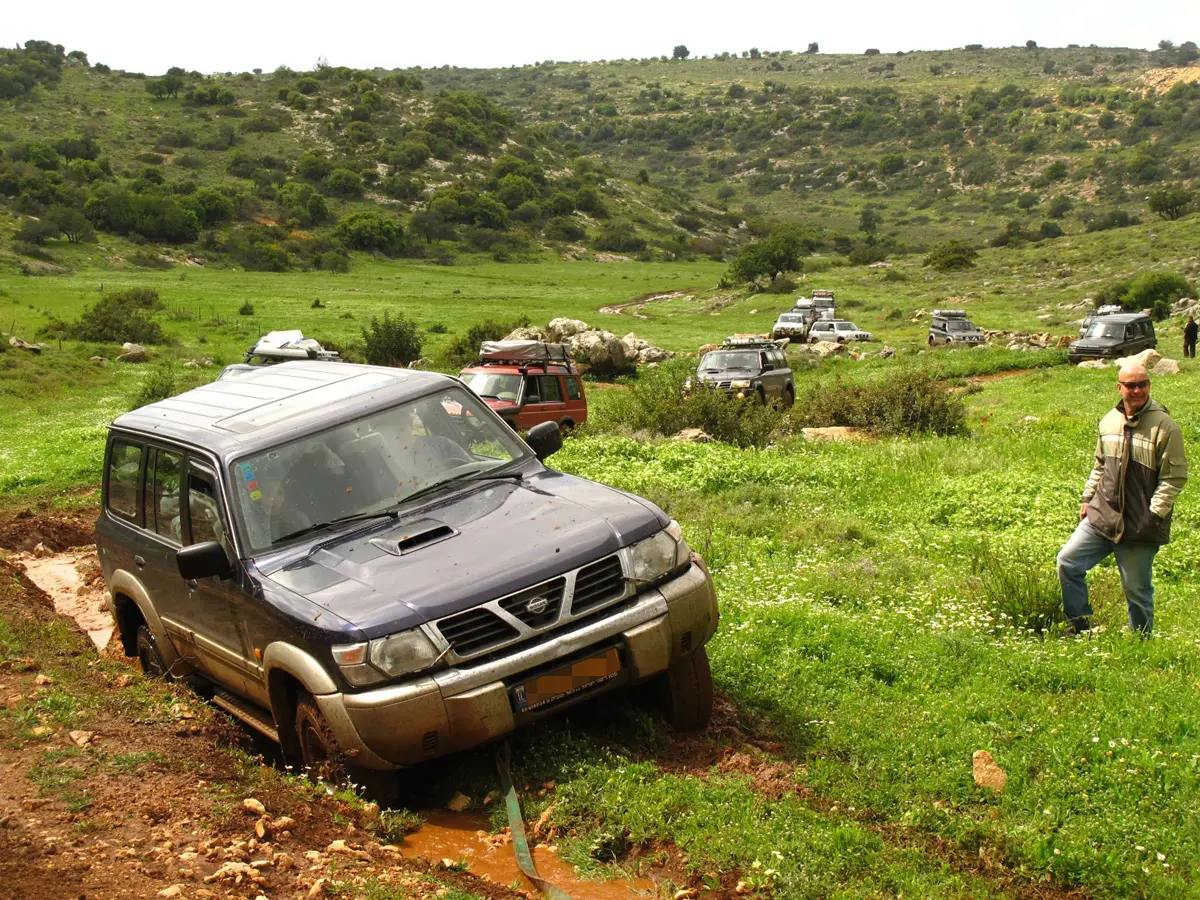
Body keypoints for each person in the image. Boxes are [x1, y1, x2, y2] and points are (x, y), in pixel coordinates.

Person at [1056, 361, 1187, 635]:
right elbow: (1100, 465)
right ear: (1120, 387)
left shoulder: (1165, 427)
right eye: (1131, 385)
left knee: (1137, 590)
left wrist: (1154, 515)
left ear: (1150, 385)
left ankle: (1141, 643)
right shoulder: (1109, 421)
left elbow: (1173, 478)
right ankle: (1078, 625)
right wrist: (1087, 497)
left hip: (1140, 524)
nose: (1137, 390)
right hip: (1103, 515)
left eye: (1143, 384)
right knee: (1068, 561)